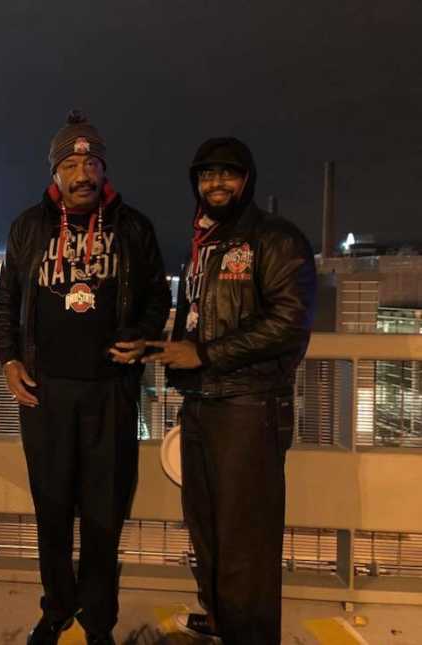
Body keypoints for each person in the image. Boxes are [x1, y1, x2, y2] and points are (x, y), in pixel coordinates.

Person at [0, 110, 171, 645]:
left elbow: (158, 297)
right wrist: (7, 359)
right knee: (51, 507)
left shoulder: (134, 227)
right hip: (44, 394)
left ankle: (98, 620)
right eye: (71, 163)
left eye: (92, 162)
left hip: (110, 391)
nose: (83, 173)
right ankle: (56, 609)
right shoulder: (28, 227)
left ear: (104, 168)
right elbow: (5, 299)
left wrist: (141, 333)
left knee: (103, 512)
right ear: (55, 173)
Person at [144, 137, 317, 644]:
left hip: (249, 407)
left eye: (227, 174)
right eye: (206, 175)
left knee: (246, 547)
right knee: (208, 535)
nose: (215, 184)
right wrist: (165, 351)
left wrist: (206, 354)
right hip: (203, 406)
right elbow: (201, 319)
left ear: (247, 180)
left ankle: (251, 634)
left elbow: (289, 321)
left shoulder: (275, 238)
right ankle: (222, 624)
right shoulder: (206, 243)